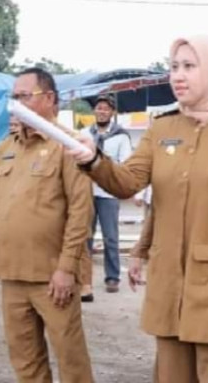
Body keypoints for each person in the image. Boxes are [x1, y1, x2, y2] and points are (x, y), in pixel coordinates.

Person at [69, 35, 208, 383]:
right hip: (169, 282)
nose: (177, 76)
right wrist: (94, 159)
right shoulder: (164, 127)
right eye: (173, 67)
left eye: (189, 66)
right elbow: (127, 182)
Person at [0, 67, 95, 382]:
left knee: (71, 360)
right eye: (13, 97)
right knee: (25, 359)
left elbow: (80, 212)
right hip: (12, 274)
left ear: (50, 99)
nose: (15, 103)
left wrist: (67, 268)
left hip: (52, 274)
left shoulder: (69, 145)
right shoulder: (6, 148)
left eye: (24, 96)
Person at [84, 95, 134, 297]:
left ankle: (112, 276)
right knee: (84, 236)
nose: (102, 111)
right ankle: (83, 277)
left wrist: (107, 168)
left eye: (106, 108)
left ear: (112, 112)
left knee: (110, 237)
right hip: (87, 191)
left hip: (108, 192)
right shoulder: (85, 133)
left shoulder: (121, 136)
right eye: (99, 108)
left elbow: (125, 163)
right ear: (94, 111)